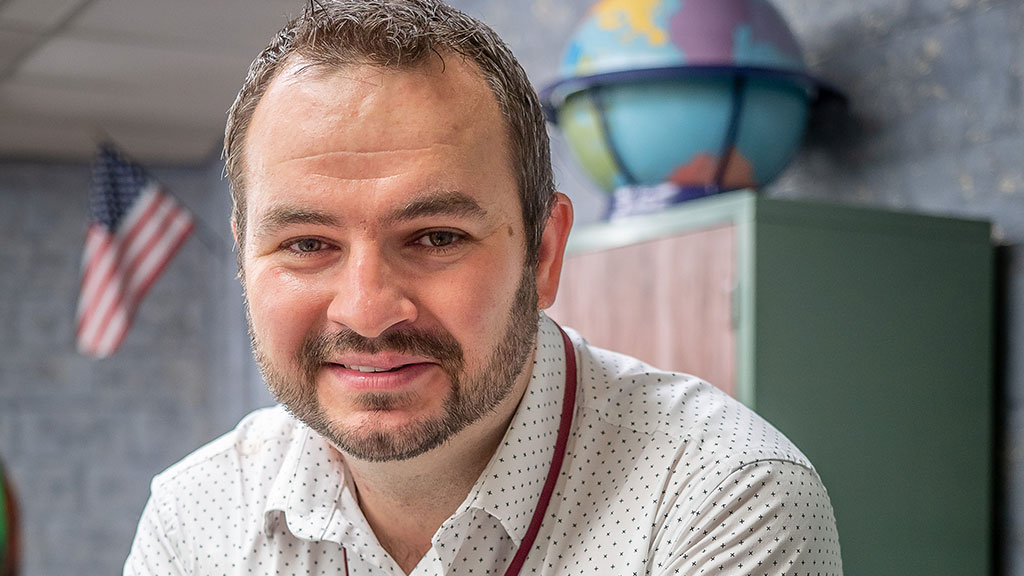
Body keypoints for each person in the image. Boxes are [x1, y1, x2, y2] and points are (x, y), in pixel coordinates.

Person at [125, 1, 842, 574]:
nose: (367, 311)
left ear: (544, 255)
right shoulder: (196, 516)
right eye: (308, 245)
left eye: (436, 237)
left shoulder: (723, 497)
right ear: (245, 258)